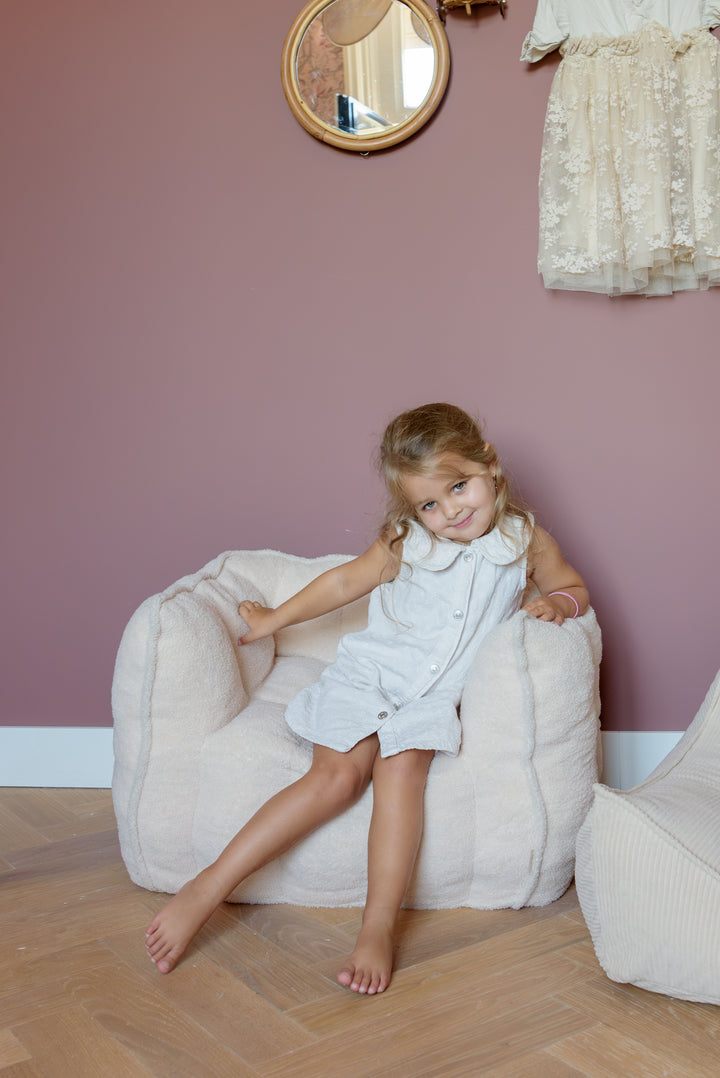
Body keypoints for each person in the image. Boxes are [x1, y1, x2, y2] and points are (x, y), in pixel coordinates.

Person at [145, 402, 589, 992]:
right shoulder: (408, 541)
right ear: (411, 508)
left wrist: (557, 603)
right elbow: (344, 581)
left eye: (459, 486)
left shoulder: (524, 541)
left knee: (401, 771)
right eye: (429, 504)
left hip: (433, 698)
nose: (451, 511)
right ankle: (208, 886)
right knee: (338, 779)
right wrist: (275, 619)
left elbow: (572, 586)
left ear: (489, 466)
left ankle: (377, 928)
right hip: (370, 677)